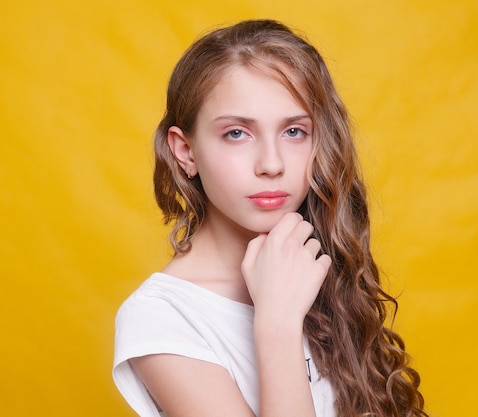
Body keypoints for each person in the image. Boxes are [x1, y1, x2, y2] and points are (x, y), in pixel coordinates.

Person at [113, 19, 427, 417]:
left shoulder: (317, 265)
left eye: (294, 131)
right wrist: (276, 324)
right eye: (237, 134)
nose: (272, 164)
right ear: (185, 151)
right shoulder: (162, 318)